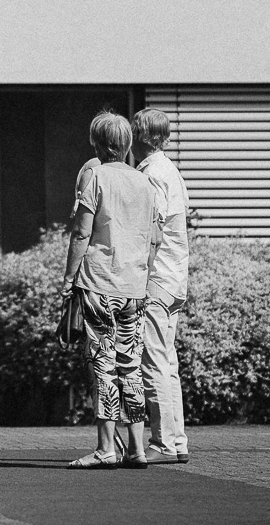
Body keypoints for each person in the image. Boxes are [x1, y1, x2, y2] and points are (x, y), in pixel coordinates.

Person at [63, 110, 162, 469]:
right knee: (130, 365)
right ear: (127, 144)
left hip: (100, 283)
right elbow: (153, 239)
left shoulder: (96, 176)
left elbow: (81, 233)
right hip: (134, 287)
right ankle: (136, 448)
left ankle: (106, 450)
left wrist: (68, 279)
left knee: (103, 366)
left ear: (98, 143)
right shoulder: (145, 183)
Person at [135, 107, 191, 464]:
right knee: (167, 362)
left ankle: (162, 443)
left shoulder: (152, 174)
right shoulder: (171, 170)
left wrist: (138, 276)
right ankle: (177, 441)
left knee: (153, 359)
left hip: (156, 278)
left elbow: (152, 231)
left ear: (141, 137)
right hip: (175, 277)